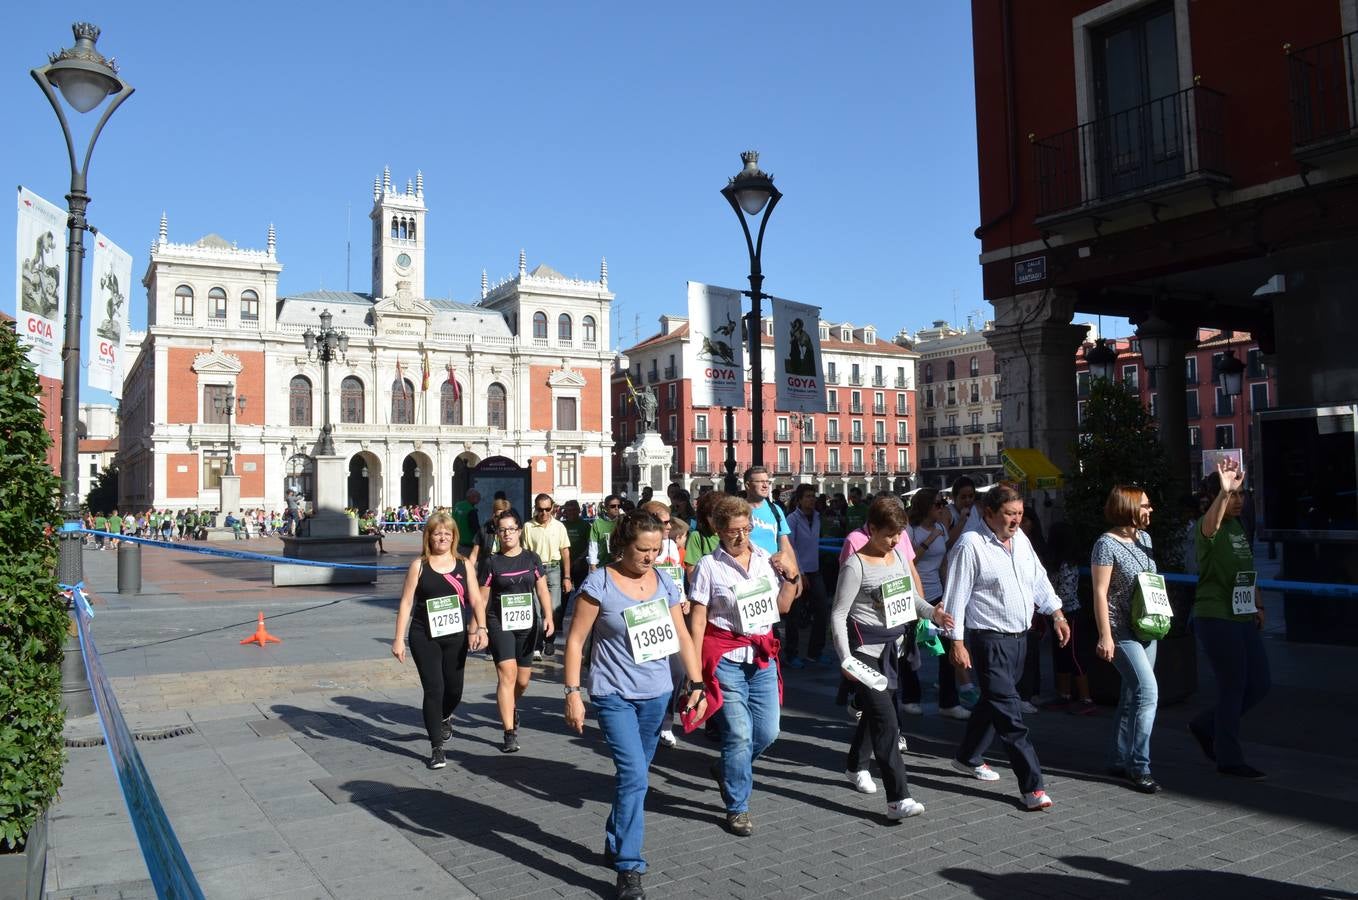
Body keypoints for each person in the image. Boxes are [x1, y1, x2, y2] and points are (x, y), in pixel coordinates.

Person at [563, 511, 706, 900]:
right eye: (643, 550)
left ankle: (615, 837)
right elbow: (576, 641)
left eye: (657, 549)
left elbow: (681, 634)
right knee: (634, 776)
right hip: (613, 695)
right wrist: (572, 692)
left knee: (635, 776)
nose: (650, 557)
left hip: (657, 694)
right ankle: (630, 865)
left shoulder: (663, 581)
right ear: (622, 545)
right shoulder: (599, 584)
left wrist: (696, 683)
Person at [942, 485, 1070, 811]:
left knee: (993, 702)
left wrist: (1055, 612)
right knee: (1010, 714)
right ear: (989, 514)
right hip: (989, 641)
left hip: (1020, 640)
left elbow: (1038, 579)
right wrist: (956, 643)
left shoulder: (1022, 542)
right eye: (1009, 515)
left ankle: (967, 755)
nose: (1016, 521)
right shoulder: (971, 546)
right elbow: (956, 595)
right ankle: (1033, 786)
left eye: (1020, 514)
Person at [834, 497, 952, 819]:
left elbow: (910, 597)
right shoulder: (855, 565)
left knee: (878, 712)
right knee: (887, 720)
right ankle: (898, 799)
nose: (896, 540)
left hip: (893, 646)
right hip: (864, 651)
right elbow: (838, 613)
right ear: (871, 529)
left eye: (899, 533)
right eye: (889, 534)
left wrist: (934, 614)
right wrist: (846, 659)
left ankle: (854, 764)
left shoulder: (898, 555)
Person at [689, 495, 797, 837]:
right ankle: (738, 807)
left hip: (762, 655)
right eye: (733, 530)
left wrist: (791, 578)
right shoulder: (709, 565)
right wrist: (694, 674)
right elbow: (698, 619)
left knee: (768, 732)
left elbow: (783, 607)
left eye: (746, 528)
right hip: (726, 658)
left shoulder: (765, 559)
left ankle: (726, 769)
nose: (741, 536)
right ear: (718, 530)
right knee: (738, 733)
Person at [1189, 459, 1271, 780]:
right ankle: (1229, 757)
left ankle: (1206, 725)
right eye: (1232, 495)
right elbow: (1212, 524)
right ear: (1216, 496)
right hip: (1215, 615)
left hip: (1242, 615)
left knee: (1260, 683)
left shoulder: (1238, 527)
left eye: (1240, 495)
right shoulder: (1208, 526)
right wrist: (1224, 494)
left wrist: (1259, 606)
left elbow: (1246, 570)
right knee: (1233, 685)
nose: (1238, 500)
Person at [392, 513, 489, 769]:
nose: (442, 537)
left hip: (455, 636)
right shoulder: (419, 565)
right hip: (424, 635)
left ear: (454, 537)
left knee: (454, 689)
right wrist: (398, 639)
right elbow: (406, 602)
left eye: (447, 533)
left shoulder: (464, 564)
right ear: (429, 537)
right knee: (434, 689)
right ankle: (436, 747)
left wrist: (481, 627)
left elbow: (477, 599)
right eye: (437, 533)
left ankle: (445, 716)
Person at [1091, 486, 1163, 794]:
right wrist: (1105, 635)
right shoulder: (1105, 545)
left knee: (1131, 696)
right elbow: (1099, 592)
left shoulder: (1144, 539)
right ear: (1128, 507)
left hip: (1146, 628)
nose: (1150, 510)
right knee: (1147, 692)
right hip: (1120, 630)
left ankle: (1118, 757)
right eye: (1145, 505)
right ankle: (1139, 765)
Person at [479, 509, 555, 753]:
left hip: (527, 625)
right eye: (502, 530)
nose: (507, 534)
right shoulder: (491, 562)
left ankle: (510, 704)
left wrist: (549, 617)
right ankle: (509, 733)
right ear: (498, 534)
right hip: (499, 623)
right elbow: (482, 598)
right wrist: (479, 627)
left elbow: (542, 590)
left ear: (519, 531)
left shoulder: (532, 559)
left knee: (522, 681)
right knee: (507, 674)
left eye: (511, 529)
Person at [907, 489, 971, 720]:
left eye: (943, 503)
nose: (942, 507)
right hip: (914, 596)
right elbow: (908, 560)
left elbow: (944, 561)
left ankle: (949, 701)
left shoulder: (942, 528)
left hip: (936, 594)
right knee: (909, 650)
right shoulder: (911, 530)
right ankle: (910, 698)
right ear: (925, 506)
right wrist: (929, 539)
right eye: (938, 503)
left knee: (947, 648)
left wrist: (949, 591)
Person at [1045, 521, 1093, 714]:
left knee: (1073, 655)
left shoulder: (1063, 565)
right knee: (1062, 655)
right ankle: (1064, 694)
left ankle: (1085, 698)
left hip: (1069, 613)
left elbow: (1064, 593)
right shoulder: (1064, 563)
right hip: (1063, 612)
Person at [785, 484, 830, 667]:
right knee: (794, 615)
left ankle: (815, 652)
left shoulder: (818, 517)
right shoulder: (792, 519)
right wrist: (800, 572)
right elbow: (790, 547)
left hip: (815, 570)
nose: (811, 499)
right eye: (808, 496)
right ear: (799, 500)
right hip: (796, 573)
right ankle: (791, 654)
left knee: (822, 611)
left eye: (813, 496)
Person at [524, 493, 572, 659]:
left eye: (547, 509)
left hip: (554, 568)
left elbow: (565, 551)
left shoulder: (559, 527)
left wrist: (567, 577)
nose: (544, 513)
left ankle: (549, 640)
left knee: (554, 608)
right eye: (540, 509)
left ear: (552, 508)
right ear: (535, 509)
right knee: (536, 609)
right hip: (535, 570)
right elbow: (525, 552)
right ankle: (537, 644)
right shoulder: (528, 527)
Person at [589, 495, 624, 572]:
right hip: (602, 565)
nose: (616, 508)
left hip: (621, 565)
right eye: (613, 506)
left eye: (619, 506)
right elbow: (593, 545)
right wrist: (593, 565)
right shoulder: (597, 523)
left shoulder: (623, 522)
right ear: (605, 508)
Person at [945, 476, 979, 548]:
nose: (967, 500)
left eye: (971, 496)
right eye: (963, 497)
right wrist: (962, 521)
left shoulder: (977, 509)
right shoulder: (947, 512)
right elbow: (945, 544)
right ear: (954, 497)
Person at [452, 489, 481, 559]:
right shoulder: (471, 510)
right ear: (472, 497)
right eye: (478, 497)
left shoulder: (457, 505)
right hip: (468, 544)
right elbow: (475, 528)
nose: (479, 500)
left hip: (457, 542)